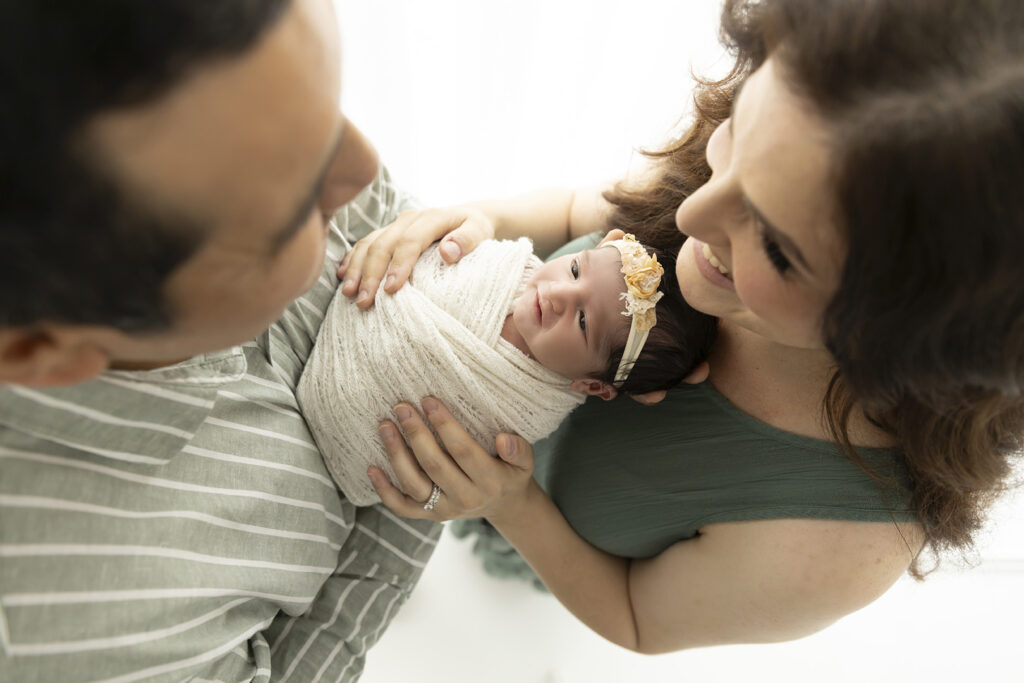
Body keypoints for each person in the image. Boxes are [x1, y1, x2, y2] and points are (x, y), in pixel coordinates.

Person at [340, 0, 1024, 653]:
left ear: (900, 341)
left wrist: (510, 503)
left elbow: (638, 616)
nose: (691, 214)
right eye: (738, 137)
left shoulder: (843, 537)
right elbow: (583, 208)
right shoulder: (790, 150)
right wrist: (489, 220)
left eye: (781, 250)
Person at [0, 2, 436, 681]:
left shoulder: (235, 125)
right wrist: (425, 479)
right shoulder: (85, 647)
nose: (363, 166)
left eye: (332, 108)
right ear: (36, 351)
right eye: (299, 210)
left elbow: (403, 223)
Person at [296, 231, 716, 505]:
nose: (558, 294)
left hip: (343, 453)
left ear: (591, 385)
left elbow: (460, 454)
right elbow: (431, 258)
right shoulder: (507, 268)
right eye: (574, 269)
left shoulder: (527, 409)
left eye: (584, 321)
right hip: (345, 308)